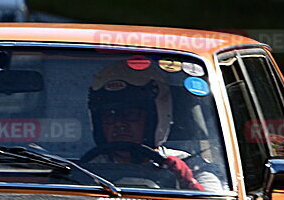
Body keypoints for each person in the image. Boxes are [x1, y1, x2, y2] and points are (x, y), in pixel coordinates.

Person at [86, 60, 225, 193]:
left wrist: (187, 182)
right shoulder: (88, 169)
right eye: (110, 115)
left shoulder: (191, 165)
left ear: (154, 118)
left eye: (130, 114)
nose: (119, 124)